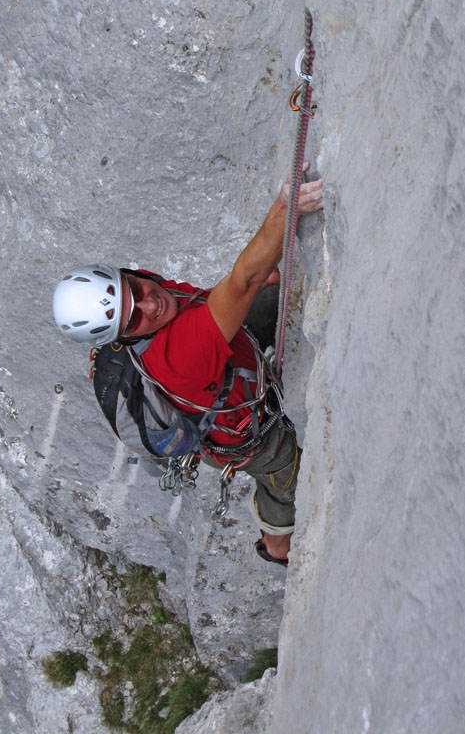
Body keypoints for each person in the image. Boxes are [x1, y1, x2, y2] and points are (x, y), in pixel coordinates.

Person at [52, 167, 323, 566]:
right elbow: (242, 283)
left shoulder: (153, 299)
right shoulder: (176, 355)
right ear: (122, 338)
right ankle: (276, 546)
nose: (150, 304)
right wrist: (284, 208)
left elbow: (211, 300)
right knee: (285, 471)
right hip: (243, 434)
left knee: (264, 292)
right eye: (133, 319)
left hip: (225, 368)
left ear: (129, 274)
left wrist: (245, 285)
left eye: (136, 290)